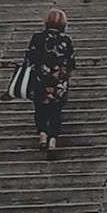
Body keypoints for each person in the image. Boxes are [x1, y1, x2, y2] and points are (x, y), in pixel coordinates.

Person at [26, 9, 76, 150]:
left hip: (39, 80)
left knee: (40, 109)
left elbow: (31, 58)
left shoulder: (37, 38)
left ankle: (42, 136)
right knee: (55, 111)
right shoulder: (66, 41)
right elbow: (71, 62)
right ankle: (53, 140)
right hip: (58, 81)